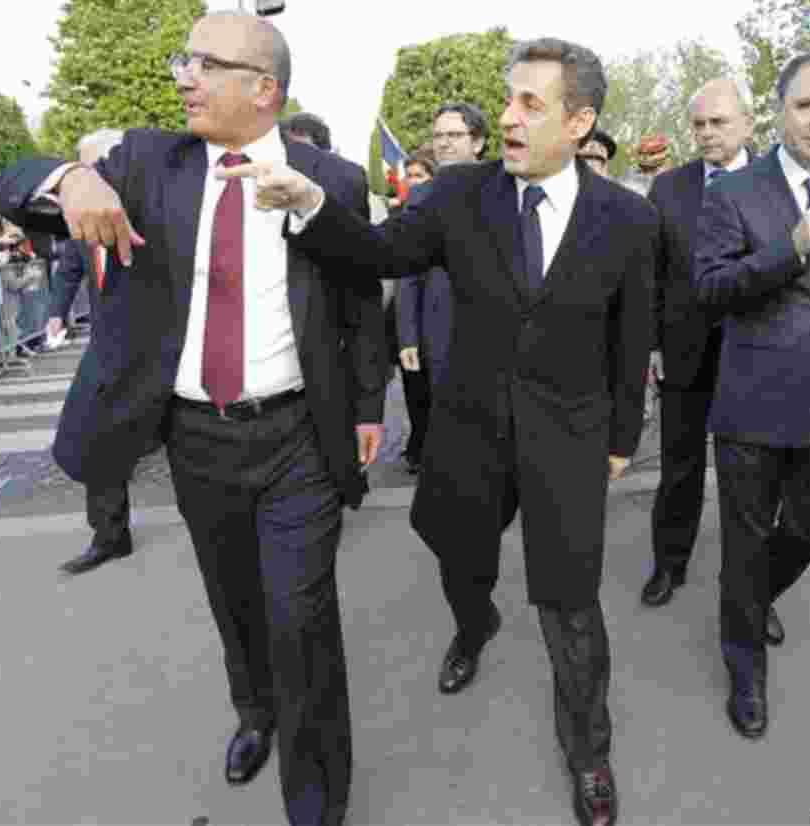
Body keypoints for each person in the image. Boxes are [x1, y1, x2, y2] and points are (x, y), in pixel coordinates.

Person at [224, 36, 658, 826]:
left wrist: (623, 432)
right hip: (469, 435)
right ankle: (475, 622)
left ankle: (589, 752)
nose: (510, 117)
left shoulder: (628, 218)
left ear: (580, 120)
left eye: (531, 103)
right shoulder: (460, 195)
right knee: (461, 555)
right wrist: (310, 204)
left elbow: (633, 338)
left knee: (570, 605)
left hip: (569, 437)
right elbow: (383, 251)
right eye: (508, 99)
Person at [0, 11, 386, 826]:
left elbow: (358, 303)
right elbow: (9, 183)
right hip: (195, 434)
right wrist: (70, 178)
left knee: (302, 619)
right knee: (234, 598)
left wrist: (370, 407)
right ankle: (255, 713)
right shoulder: (144, 161)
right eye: (184, 58)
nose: (184, 76)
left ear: (263, 89)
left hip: (298, 439)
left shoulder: (332, 179)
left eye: (206, 63)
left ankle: (316, 805)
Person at [694, 47, 810, 740]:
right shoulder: (733, 194)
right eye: (807, 104)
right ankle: (744, 668)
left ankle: (750, 600)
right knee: (745, 546)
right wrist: (795, 243)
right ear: (779, 111)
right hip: (755, 401)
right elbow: (711, 289)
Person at [640, 78, 772, 623]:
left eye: (719, 122)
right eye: (699, 124)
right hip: (683, 352)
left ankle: (755, 590)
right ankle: (670, 563)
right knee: (680, 467)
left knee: (755, 482)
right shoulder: (668, 189)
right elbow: (648, 276)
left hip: (758, 353)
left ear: (747, 124)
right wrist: (650, 345)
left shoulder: (778, 183)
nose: (708, 133)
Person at [47, 128, 136, 576]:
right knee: (98, 438)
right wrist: (56, 314)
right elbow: (67, 269)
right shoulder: (79, 212)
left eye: (93, 166)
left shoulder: (150, 207)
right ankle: (110, 535)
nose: (88, 176)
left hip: (161, 345)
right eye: (80, 167)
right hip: (107, 345)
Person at [396, 104, 488, 472]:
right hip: (440, 331)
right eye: (438, 137)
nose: (444, 144)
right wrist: (407, 335)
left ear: (478, 142)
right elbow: (408, 271)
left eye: (454, 136)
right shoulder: (421, 197)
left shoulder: (506, 187)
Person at [392, 148, 436, 473]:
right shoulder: (404, 215)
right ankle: (420, 450)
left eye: (420, 175)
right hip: (419, 329)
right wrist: (407, 335)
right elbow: (405, 278)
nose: (413, 182)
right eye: (410, 175)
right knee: (418, 397)